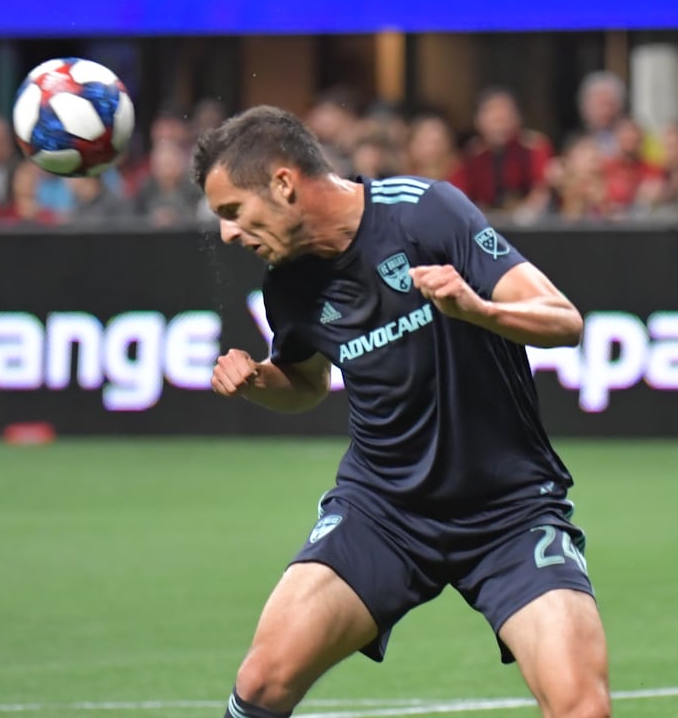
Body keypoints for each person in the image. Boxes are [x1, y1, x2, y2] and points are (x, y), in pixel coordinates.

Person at [193, 106, 609, 718]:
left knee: (582, 706)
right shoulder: (287, 284)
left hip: (510, 511)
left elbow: (564, 321)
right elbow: (307, 384)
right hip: (383, 511)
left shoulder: (425, 211)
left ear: (283, 184)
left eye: (232, 212)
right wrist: (259, 379)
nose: (229, 234)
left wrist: (480, 311)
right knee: (261, 683)